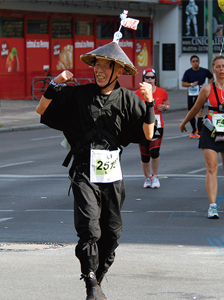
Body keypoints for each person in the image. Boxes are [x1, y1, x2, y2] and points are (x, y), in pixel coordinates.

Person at [36, 40, 155, 300]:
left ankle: (97, 278)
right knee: (90, 229)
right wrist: (54, 85)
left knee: (111, 233)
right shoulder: (79, 95)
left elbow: (148, 134)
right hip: (83, 171)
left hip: (112, 174)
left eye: (105, 66)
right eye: (96, 65)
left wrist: (149, 103)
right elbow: (41, 110)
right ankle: (90, 282)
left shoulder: (126, 99)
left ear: (119, 71)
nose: (99, 71)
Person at [179, 55, 224, 219]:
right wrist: (184, 123)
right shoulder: (207, 89)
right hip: (210, 129)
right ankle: (212, 205)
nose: (221, 69)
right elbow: (196, 107)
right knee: (211, 168)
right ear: (213, 70)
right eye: (218, 67)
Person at [135, 68, 169, 189]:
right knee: (144, 155)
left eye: (152, 77)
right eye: (147, 77)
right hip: (142, 126)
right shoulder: (138, 93)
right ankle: (147, 178)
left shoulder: (162, 91)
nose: (150, 80)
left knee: (154, 151)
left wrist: (164, 107)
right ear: (143, 79)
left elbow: (168, 105)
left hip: (157, 125)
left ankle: (155, 176)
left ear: (155, 79)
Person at [181, 55, 214, 138]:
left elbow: (211, 77)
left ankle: (200, 131)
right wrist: (191, 84)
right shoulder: (188, 72)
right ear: (191, 63)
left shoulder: (204, 71)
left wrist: (208, 86)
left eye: (196, 61)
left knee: (200, 112)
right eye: (193, 61)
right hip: (191, 94)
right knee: (191, 111)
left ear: (199, 62)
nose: (195, 63)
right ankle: (194, 129)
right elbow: (183, 83)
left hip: (200, 94)